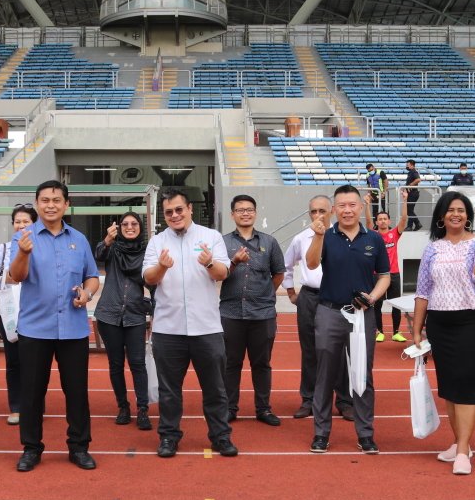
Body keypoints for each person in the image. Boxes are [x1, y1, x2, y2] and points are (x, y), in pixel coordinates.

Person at [7, 180, 100, 472]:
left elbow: (92, 276)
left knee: (77, 391)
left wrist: (87, 293)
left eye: (56, 200)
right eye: (45, 200)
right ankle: (31, 448)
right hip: (35, 329)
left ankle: (79, 446)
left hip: (73, 329)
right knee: (32, 393)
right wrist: (23, 252)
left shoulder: (80, 240)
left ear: (66, 205)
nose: (50, 205)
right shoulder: (24, 237)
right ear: (37, 204)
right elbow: (16, 276)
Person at [143, 188, 238, 458]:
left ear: (190, 209)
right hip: (168, 329)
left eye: (179, 210)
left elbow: (223, 273)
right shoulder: (157, 242)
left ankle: (220, 436)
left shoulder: (211, 237)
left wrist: (209, 263)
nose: (174, 215)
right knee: (169, 390)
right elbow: (149, 278)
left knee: (215, 389)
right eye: (169, 212)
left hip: (206, 328)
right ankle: (169, 437)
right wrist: (162, 267)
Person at [410, 192, 475, 475]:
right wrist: (416, 331)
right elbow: (423, 291)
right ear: (441, 216)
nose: (455, 214)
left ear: (468, 215)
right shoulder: (433, 249)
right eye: (450, 210)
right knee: (448, 386)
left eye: (461, 210)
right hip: (440, 323)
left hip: (473, 321)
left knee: (468, 384)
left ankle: (462, 452)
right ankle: (461, 443)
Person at [304, 185, 391, 454]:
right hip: (329, 312)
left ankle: (365, 434)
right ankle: (321, 433)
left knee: (363, 374)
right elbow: (310, 263)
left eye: (352, 205)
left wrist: (372, 298)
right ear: (334, 209)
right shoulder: (325, 235)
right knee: (325, 374)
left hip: (362, 315)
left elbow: (385, 276)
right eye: (341, 205)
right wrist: (318, 236)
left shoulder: (374, 239)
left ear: (361, 207)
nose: (347, 210)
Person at [283, 195, 353, 422]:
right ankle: (309, 399)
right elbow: (287, 265)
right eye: (313, 211)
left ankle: (344, 400)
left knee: (341, 351)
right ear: (309, 214)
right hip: (310, 298)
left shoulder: (341, 236)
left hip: (337, 298)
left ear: (331, 211)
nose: (318, 215)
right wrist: (291, 292)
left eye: (322, 211)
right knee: (310, 350)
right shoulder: (301, 238)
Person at [221, 194, 285, 426]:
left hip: (262, 314)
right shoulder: (223, 242)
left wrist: (265, 294)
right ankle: (229, 408)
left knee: (261, 364)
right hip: (230, 313)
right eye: (240, 210)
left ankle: (263, 409)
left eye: (249, 209)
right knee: (230, 363)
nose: (245, 213)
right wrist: (234, 262)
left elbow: (278, 273)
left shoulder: (269, 242)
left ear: (255, 213)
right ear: (232, 214)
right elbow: (218, 274)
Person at [94, 210, 153, 430]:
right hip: (109, 314)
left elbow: (154, 282)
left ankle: (143, 410)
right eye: (125, 224)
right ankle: (123, 407)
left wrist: (152, 305)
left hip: (135, 315)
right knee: (115, 364)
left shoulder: (148, 252)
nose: (129, 227)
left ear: (140, 227)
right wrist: (107, 240)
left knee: (138, 364)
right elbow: (99, 254)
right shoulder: (113, 249)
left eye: (134, 224)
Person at [0, 205, 36, 426]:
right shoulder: (4, 249)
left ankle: (33, 405)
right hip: (9, 313)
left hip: (36, 312)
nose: (21, 225)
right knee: (14, 362)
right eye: (17, 221)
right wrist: (9, 278)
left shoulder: (42, 247)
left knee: (36, 362)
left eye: (26, 221)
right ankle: (16, 406)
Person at [374, 192, 409, 343]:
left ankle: (396, 332)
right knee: (377, 304)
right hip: (378, 275)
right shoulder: (373, 235)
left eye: (385, 219)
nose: (382, 221)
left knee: (396, 304)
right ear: (377, 222)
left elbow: (404, 219)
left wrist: (405, 200)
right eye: (380, 219)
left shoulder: (394, 234)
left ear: (388, 221)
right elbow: (368, 221)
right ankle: (379, 331)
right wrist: (368, 205)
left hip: (394, 274)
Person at [403, 159, 422, 231]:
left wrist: (410, 185)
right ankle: (414, 225)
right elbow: (409, 182)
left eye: (407, 165)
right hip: (411, 193)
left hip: (413, 193)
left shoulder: (414, 171)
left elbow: (418, 179)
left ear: (412, 165)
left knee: (409, 210)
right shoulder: (410, 172)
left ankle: (415, 224)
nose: (406, 166)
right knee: (410, 210)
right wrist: (404, 187)